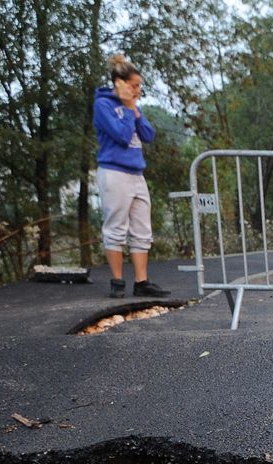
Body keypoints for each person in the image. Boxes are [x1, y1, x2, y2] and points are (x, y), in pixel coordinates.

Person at [93, 53, 169, 299]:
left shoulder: (133, 106)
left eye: (139, 86)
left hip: (136, 173)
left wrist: (134, 110)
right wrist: (127, 109)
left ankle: (141, 281)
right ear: (120, 83)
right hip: (114, 172)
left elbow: (147, 134)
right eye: (134, 86)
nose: (138, 90)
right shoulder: (103, 105)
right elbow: (122, 136)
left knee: (141, 228)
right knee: (116, 226)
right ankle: (117, 281)